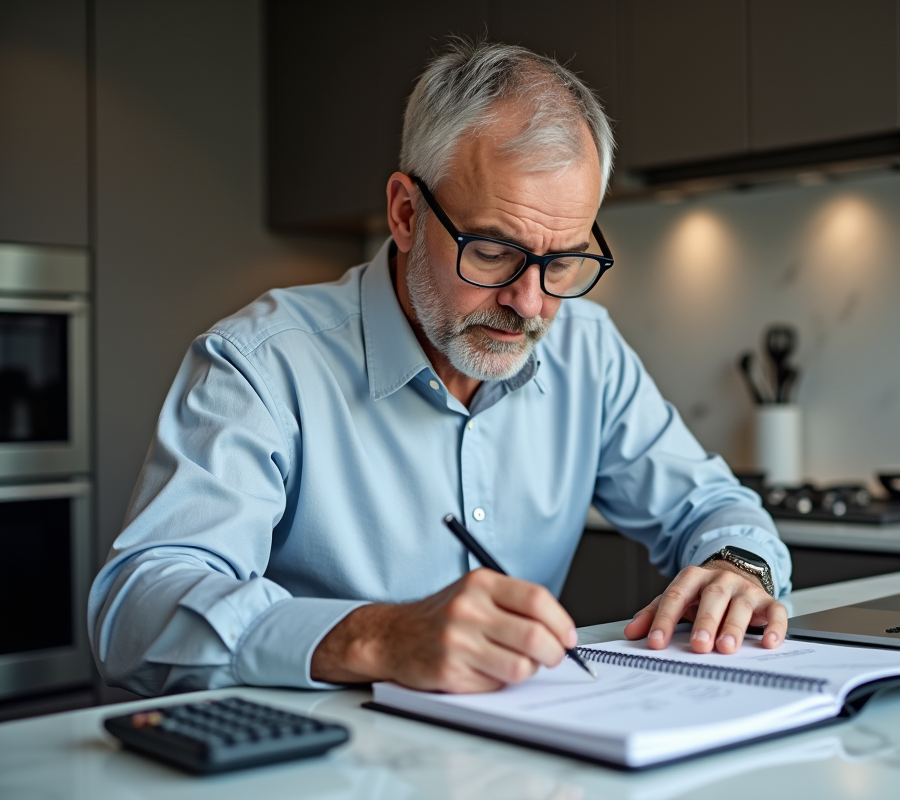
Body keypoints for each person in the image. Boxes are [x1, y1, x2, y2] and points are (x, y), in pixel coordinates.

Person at [88, 39, 792, 696]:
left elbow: (711, 507)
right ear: (404, 214)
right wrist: (377, 637)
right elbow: (136, 609)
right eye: (493, 251)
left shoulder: (588, 351)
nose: (529, 304)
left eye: (563, 262)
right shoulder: (262, 364)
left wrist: (737, 568)